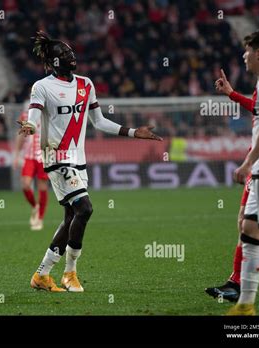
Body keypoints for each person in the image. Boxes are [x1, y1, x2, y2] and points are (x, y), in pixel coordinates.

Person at [18, 31, 162, 292]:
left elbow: (99, 122)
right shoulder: (42, 86)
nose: (71, 56)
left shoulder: (86, 84)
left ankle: (42, 274)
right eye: (64, 54)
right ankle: (70, 273)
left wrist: (132, 133)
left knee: (71, 215)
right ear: (54, 61)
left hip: (78, 159)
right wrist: (29, 125)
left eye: (71, 51)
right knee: (85, 208)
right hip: (56, 156)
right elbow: (35, 114)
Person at [206, 43, 259, 301]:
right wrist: (233, 94)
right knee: (258, 223)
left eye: (251, 53)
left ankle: (237, 285)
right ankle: (236, 284)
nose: (248, 58)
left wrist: (248, 163)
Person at [13, 100, 49, 230]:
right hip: (28, 156)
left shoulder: (47, 114)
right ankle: (35, 206)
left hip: (43, 156)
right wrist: (16, 155)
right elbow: (21, 136)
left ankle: (39, 218)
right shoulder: (24, 116)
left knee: (42, 187)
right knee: (25, 184)